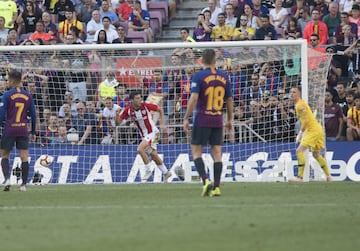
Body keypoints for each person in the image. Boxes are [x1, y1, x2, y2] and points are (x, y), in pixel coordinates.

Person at [183, 49, 233, 197]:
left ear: (202, 61)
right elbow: (229, 100)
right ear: (215, 60)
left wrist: (186, 117)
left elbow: (193, 98)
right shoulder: (224, 76)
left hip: (202, 119)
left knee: (196, 152)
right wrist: (230, 119)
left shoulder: (198, 76)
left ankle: (205, 181)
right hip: (218, 119)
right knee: (217, 153)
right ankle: (217, 187)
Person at [115, 90, 172, 183]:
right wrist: (116, 114)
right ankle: (166, 173)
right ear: (132, 100)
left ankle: (148, 170)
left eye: (140, 98)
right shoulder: (128, 110)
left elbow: (160, 109)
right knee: (154, 155)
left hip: (153, 132)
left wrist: (162, 124)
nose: (140, 100)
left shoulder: (145, 106)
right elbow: (118, 123)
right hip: (144, 135)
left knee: (140, 149)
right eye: (137, 98)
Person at [0, 69, 36, 192]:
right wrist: (33, 132)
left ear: (11, 80)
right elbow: (34, 115)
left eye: (7, 80)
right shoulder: (28, 95)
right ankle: (23, 185)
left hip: (10, 129)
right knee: (24, 157)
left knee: (4, 155)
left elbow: (1, 113)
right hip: (22, 129)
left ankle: (7, 179)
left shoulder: (7, 95)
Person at [288, 86, 332, 182]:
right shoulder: (300, 104)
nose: (291, 94)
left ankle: (299, 177)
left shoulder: (300, 105)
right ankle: (329, 177)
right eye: (291, 92)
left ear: (299, 93)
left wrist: (300, 132)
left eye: (294, 92)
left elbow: (306, 120)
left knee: (299, 151)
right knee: (316, 154)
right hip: (318, 129)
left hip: (313, 130)